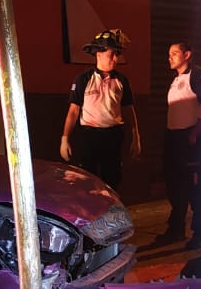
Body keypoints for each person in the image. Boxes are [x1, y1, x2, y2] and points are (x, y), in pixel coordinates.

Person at [60, 29, 141, 190]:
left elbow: (128, 110)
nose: (116, 59)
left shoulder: (122, 81)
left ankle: (111, 214)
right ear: (99, 54)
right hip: (89, 136)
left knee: (112, 181)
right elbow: (73, 111)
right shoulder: (83, 79)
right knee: (87, 181)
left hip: (113, 136)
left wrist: (135, 135)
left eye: (117, 54)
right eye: (112, 54)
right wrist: (65, 138)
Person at [155, 41, 201, 249]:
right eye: (169, 54)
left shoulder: (198, 75)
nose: (169, 57)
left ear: (187, 54)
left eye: (174, 53)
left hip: (190, 139)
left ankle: (200, 233)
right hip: (173, 138)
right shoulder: (176, 80)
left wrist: (196, 132)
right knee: (174, 185)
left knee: (196, 187)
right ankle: (176, 229)